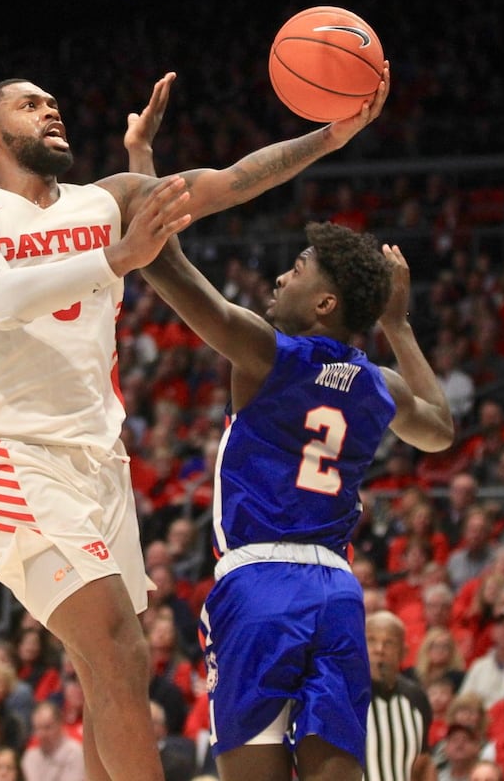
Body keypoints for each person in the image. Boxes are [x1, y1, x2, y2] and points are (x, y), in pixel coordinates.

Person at [0, 70, 386, 781]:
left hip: (101, 465)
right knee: (118, 651)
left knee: (110, 668)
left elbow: (228, 181)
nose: (51, 109)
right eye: (30, 103)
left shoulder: (109, 201)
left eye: (53, 100)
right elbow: (4, 300)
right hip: (11, 456)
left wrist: (330, 135)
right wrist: (118, 258)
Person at [136, 195, 453, 779]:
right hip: (336, 588)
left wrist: (140, 184)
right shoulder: (377, 385)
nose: (282, 276)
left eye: (299, 268)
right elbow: (439, 429)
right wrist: (398, 324)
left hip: (259, 586)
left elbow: (162, 264)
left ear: (325, 303)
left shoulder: (263, 353)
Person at [365, 613, 436, 781]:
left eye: (389, 643)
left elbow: (423, 764)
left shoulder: (416, 698)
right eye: (371, 640)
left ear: (403, 652)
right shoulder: (345, 698)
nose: (379, 649)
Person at [21, 701, 85, 781]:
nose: (42, 734)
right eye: (38, 728)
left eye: (47, 727)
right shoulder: (30, 757)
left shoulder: (75, 752)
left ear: (60, 724)